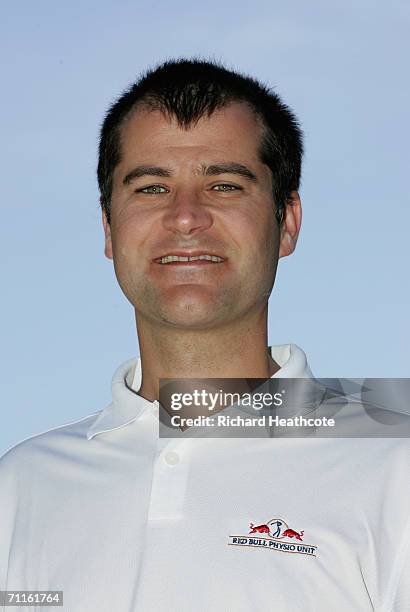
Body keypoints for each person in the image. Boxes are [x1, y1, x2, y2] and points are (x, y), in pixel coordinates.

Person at [0, 59, 408, 612]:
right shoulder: (20, 487)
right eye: (150, 187)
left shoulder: (393, 462)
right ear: (107, 228)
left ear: (287, 222)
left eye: (224, 185)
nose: (186, 217)